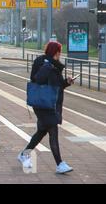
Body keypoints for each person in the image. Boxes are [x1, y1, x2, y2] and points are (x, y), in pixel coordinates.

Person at [18, 41, 74, 174]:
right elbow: (37, 79)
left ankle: (24, 154)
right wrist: (48, 67)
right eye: (60, 51)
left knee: (42, 131)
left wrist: (67, 82)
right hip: (43, 103)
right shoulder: (45, 64)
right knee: (53, 131)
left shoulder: (54, 66)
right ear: (56, 52)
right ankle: (59, 163)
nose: (60, 54)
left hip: (49, 103)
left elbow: (57, 85)